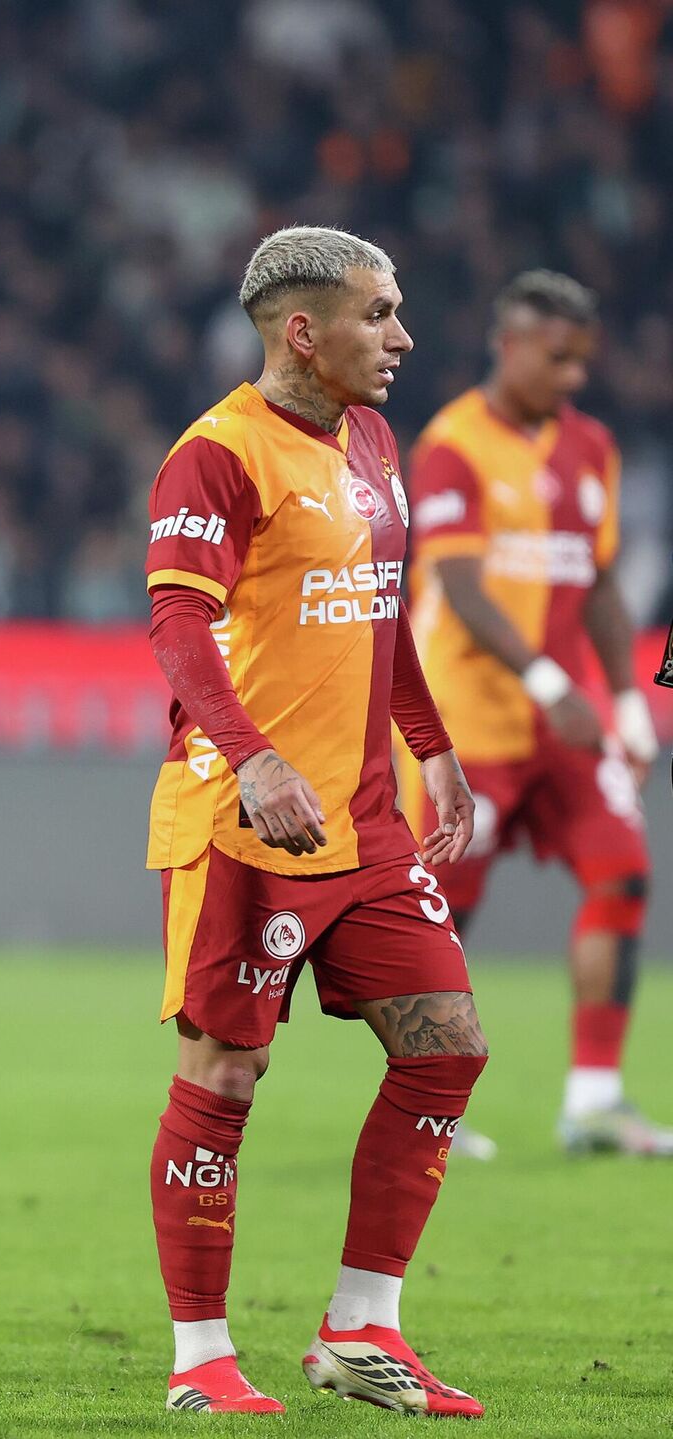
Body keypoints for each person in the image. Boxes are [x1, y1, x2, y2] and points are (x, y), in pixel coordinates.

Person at [143, 226, 486, 1416]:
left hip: (365, 818)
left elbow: (380, 612)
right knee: (227, 1072)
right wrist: (253, 760)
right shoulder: (216, 455)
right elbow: (178, 625)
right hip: (245, 820)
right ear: (303, 330)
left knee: (447, 1044)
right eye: (378, 314)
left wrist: (434, 749)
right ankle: (200, 1357)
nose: (403, 337)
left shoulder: (373, 440)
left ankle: (361, 1327)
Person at [400, 270, 666, 1158]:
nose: (574, 377)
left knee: (623, 873)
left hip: (565, 722)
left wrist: (627, 698)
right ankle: (425, 1110)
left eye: (583, 360)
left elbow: (598, 582)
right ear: (508, 346)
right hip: (464, 725)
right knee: (442, 918)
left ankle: (593, 1102)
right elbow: (461, 587)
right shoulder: (453, 444)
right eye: (558, 358)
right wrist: (554, 684)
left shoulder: (592, 446)